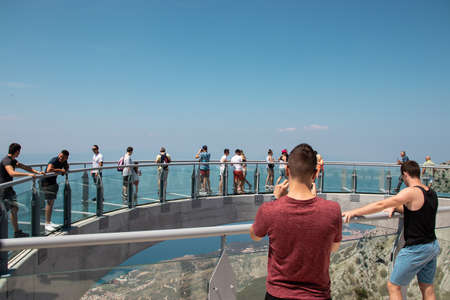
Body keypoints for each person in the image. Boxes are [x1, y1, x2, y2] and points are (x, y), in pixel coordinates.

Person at [250, 144, 342, 299]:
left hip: (277, 295)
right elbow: (334, 247)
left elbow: (255, 235)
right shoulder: (332, 210)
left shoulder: (270, 209)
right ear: (315, 174)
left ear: (287, 171)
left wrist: (276, 200)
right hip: (317, 296)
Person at [343, 160, 440, 300]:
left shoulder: (411, 192)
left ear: (405, 174)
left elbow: (381, 204)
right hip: (431, 246)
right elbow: (418, 211)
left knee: (394, 286)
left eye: (402, 178)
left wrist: (355, 212)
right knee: (427, 288)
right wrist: (398, 207)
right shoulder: (431, 193)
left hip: (415, 248)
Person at [0, 143, 43, 238]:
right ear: (17, 151)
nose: (19, 153)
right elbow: (11, 173)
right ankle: (13, 233)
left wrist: (37, 172)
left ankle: (16, 232)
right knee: (4, 212)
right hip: (4, 190)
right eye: (19, 151)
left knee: (14, 209)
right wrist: (28, 175)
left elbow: (24, 167)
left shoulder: (13, 160)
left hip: (8, 189)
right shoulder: (7, 161)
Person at [41, 150, 69, 233]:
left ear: (66, 158)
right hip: (46, 183)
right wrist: (60, 170)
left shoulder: (64, 161)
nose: (61, 158)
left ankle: (49, 222)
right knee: (49, 203)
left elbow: (67, 167)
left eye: (63, 158)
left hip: (53, 183)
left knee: (51, 202)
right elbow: (48, 170)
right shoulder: (54, 160)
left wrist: (65, 169)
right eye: (60, 156)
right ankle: (47, 223)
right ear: (59, 155)